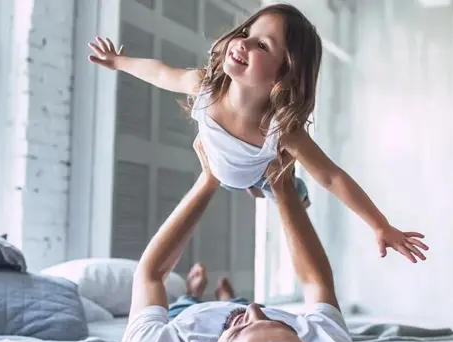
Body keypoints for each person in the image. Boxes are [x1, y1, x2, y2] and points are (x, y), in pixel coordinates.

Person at [88, 3, 428, 263]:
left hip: (259, 172)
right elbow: (162, 74)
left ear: (284, 75)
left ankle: (279, 188)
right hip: (220, 162)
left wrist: (379, 224)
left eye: (262, 46)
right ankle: (255, 185)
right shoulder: (205, 86)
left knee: (283, 186)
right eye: (247, 34)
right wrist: (120, 63)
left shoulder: (280, 131)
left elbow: (332, 177)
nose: (243, 43)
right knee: (249, 180)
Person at [119, 138, 360, 342]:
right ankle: (231, 299)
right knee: (242, 307)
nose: (255, 309)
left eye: (242, 331)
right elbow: (316, 284)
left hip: (188, 320)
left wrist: (209, 179)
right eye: (284, 329)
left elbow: (150, 275)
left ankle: (194, 294)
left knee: (184, 305)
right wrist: (283, 187)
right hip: (254, 323)